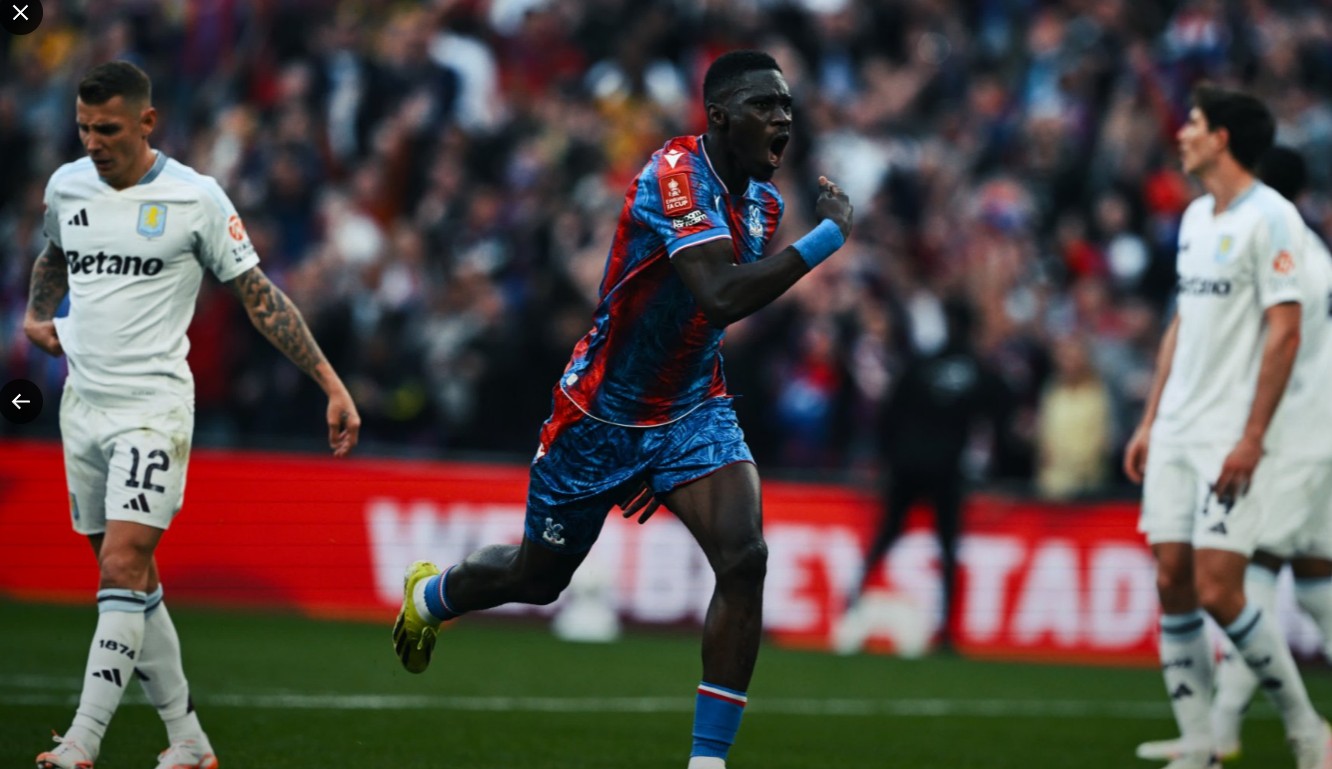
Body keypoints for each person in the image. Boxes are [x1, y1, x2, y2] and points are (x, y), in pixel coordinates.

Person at [391, 50, 853, 769]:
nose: (784, 116)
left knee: (746, 556)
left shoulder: (763, 205)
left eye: (788, 105)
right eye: (766, 104)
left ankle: (708, 762)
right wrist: (827, 239)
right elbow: (720, 295)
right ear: (722, 115)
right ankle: (434, 596)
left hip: (693, 410)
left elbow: (714, 318)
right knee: (538, 576)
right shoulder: (672, 174)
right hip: (600, 416)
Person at [24, 61, 362, 769]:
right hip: (82, 406)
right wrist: (35, 312)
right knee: (133, 581)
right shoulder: (66, 185)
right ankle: (189, 741)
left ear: (148, 122)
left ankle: (82, 740)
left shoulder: (194, 198)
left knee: (121, 563)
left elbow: (259, 295)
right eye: (84, 128)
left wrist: (330, 381)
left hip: (153, 409)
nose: (93, 142)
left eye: (108, 129)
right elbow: (55, 252)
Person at [1122, 85, 1332, 769]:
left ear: (1223, 140)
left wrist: (1251, 436)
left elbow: (1286, 333)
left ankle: (1307, 727)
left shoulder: (1275, 220)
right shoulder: (1194, 219)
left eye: (1195, 123)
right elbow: (1181, 327)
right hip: (1178, 429)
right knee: (1171, 580)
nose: (1182, 133)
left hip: (1229, 435)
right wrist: (1151, 417)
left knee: (1220, 586)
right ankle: (1201, 744)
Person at [838, 297, 1009, 653]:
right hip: (947, 469)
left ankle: (850, 601)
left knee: (886, 534)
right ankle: (945, 632)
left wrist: (887, 457)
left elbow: (889, 412)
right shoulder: (980, 371)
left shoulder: (922, 364)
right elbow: (1000, 419)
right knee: (947, 547)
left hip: (906, 464)